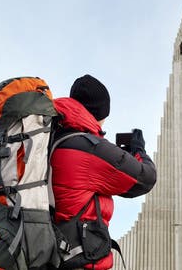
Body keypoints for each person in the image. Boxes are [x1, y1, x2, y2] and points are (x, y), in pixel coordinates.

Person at [50, 74, 157, 270]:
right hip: (78, 261)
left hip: (46, 256)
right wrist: (138, 150)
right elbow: (146, 178)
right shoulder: (90, 148)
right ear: (101, 114)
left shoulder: (50, 139)